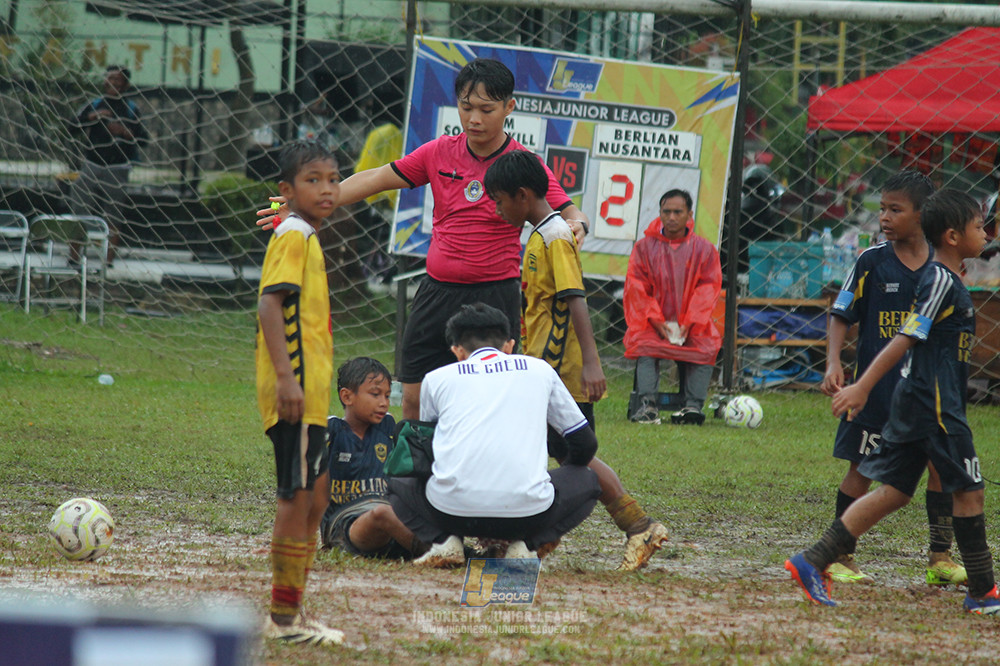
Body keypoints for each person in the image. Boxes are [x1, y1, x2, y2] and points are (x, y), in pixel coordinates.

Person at [258, 58, 589, 420]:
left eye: (486, 109)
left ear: (509, 107)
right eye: (466, 107)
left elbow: (569, 210)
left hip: (495, 294)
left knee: (489, 400)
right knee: (413, 396)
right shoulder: (438, 151)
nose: (474, 118)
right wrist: (294, 202)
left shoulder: (522, 164)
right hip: (436, 292)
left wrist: (579, 225)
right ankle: (416, 473)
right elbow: (375, 178)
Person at [786, 189, 999, 615]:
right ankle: (982, 591)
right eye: (979, 227)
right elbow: (906, 335)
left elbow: (984, 248)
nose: (986, 233)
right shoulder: (940, 279)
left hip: (915, 402)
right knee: (970, 491)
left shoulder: (947, 274)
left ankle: (812, 560)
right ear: (954, 236)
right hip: (934, 403)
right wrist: (862, 386)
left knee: (896, 492)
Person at [483, 150, 669, 571]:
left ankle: (630, 525)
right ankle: (555, 536)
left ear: (524, 195)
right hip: (542, 367)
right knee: (562, 455)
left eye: (500, 200)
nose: (496, 209)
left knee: (572, 457)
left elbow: (574, 298)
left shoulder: (554, 237)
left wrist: (591, 363)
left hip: (560, 373)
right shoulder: (540, 234)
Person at [820, 171, 965, 585]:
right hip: (876, 394)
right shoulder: (872, 261)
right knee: (861, 470)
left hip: (925, 393)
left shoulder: (942, 270)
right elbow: (841, 314)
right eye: (882, 208)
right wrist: (834, 363)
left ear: (922, 216)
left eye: (894, 210)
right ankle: (839, 555)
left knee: (940, 469)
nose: (884, 217)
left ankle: (940, 558)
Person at [387, 303, 602, 567]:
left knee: (396, 480)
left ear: (457, 351)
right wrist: (553, 476)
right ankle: (525, 546)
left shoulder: (437, 378)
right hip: (528, 514)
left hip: (450, 513)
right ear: (509, 345)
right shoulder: (540, 370)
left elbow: (428, 447)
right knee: (589, 481)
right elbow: (584, 442)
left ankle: (445, 541)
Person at [255, 140, 343, 646]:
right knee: (296, 497)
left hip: (312, 395)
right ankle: (284, 620)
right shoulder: (292, 233)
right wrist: (288, 380)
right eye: (313, 180)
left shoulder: (304, 233)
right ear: (287, 191)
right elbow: (270, 306)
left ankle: (293, 609)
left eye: (332, 179)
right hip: (296, 391)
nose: (327, 189)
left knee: (317, 496)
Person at [623, 189, 722, 425]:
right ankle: (647, 406)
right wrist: (656, 321)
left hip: (692, 325)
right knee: (644, 344)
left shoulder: (705, 249)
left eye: (678, 212)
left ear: (689, 214)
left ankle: (693, 407)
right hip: (653, 324)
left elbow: (708, 287)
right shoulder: (644, 248)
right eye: (666, 212)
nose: (672, 217)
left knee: (707, 344)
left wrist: (689, 323)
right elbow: (637, 287)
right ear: (659, 213)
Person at [320, 357, 427, 560]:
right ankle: (445, 554)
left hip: (388, 515)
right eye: (375, 394)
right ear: (347, 397)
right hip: (347, 524)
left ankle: (417, 546)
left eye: (387, 396)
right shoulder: (332, 431)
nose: (383, 403)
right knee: (381, 514)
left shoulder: (387, 427)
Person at [69, 65, 148, 264]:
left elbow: (144, 139)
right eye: (109, 79)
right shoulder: (95, 105)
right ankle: (74, 258)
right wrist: (92, 117)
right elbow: (71, 126)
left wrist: (124, 132)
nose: (112, 83)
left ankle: (108, 261)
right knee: (80, 210)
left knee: (113, 215)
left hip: (117, 169)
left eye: (117, 80)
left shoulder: (131, 109)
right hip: (92, 164)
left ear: (125, 85)